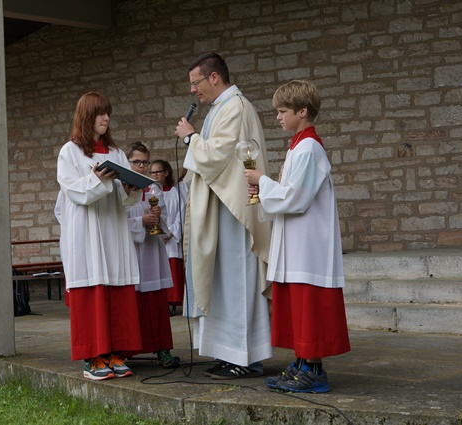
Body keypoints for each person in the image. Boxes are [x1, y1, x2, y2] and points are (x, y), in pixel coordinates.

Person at [244, 80, 351, 393]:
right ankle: (303, 364)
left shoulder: (308, 148)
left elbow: (296, 198)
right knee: (298, 308)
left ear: (302, 111)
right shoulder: (298, 146)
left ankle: (315, 371)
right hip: (296, 243)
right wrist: (264, 191)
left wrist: (262, 181)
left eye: (283, 111)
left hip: (308, 246)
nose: (278, 117)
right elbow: (290, 194)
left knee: (309, 309)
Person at [174, 52, 273, 379]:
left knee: (236, 283)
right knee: (222, 284)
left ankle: (245, 357)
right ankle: (227, 353)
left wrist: (190, 137)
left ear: (214, 77)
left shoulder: (235, 107)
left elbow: (217, 156)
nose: (193, 90)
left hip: (234, 213)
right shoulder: (221, 107)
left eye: (196, 83)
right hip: (221, 209)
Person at [56, 92, 143, 381]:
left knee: (117, 286)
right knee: (92, 287)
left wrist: (130, 189)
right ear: (86, 117)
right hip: (87, 231)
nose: (106, 118)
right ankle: (93, 356)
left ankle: (116, 352)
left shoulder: (116, 153)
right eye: (100, 114)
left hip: (113, 229)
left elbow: (124, 199)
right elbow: (73, 191)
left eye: (108, 114)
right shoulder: (70, 152)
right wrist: (97, 179)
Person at [125, 142, 180, 368]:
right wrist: (141, 221)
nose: (142, 166)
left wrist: (157, 216)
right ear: (127, 162)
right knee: (131, 304)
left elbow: (165, 219)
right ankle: (127, 349)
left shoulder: (152, 188)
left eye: (145, 162)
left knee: (156, 304)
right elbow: (114, 221)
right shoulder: (120, 189)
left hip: (152, 252)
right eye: (136, 162)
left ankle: (162, 349)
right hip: (130, 253)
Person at [150, 159, 187, 311]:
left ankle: (172, 301)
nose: (155, 175)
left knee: (172, 268)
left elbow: (181, 214)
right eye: (152, 172)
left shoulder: (175, 192)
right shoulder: (149, 191)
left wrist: (170, 232)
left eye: (158, 171)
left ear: (166, 172)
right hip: (155, 236)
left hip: (171, 237)